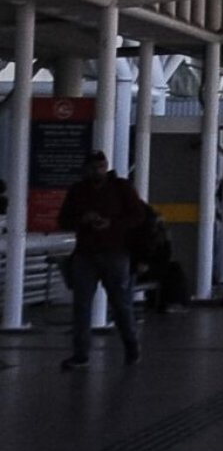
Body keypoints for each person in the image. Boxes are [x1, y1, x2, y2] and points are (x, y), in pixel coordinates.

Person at [57, 150, 146, 370]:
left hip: (115, 253)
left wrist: (112, 224)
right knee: (82, 305)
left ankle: (131, 345)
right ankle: (80, 354)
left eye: (101, 166)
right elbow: (63, 220)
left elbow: (138, 215)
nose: (98, 171)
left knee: (120, 303)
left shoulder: (121, 188)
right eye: (94, 167)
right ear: (86, 169)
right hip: (85, 254)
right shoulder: (78, 191)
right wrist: (83, 219)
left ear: (106, 166)